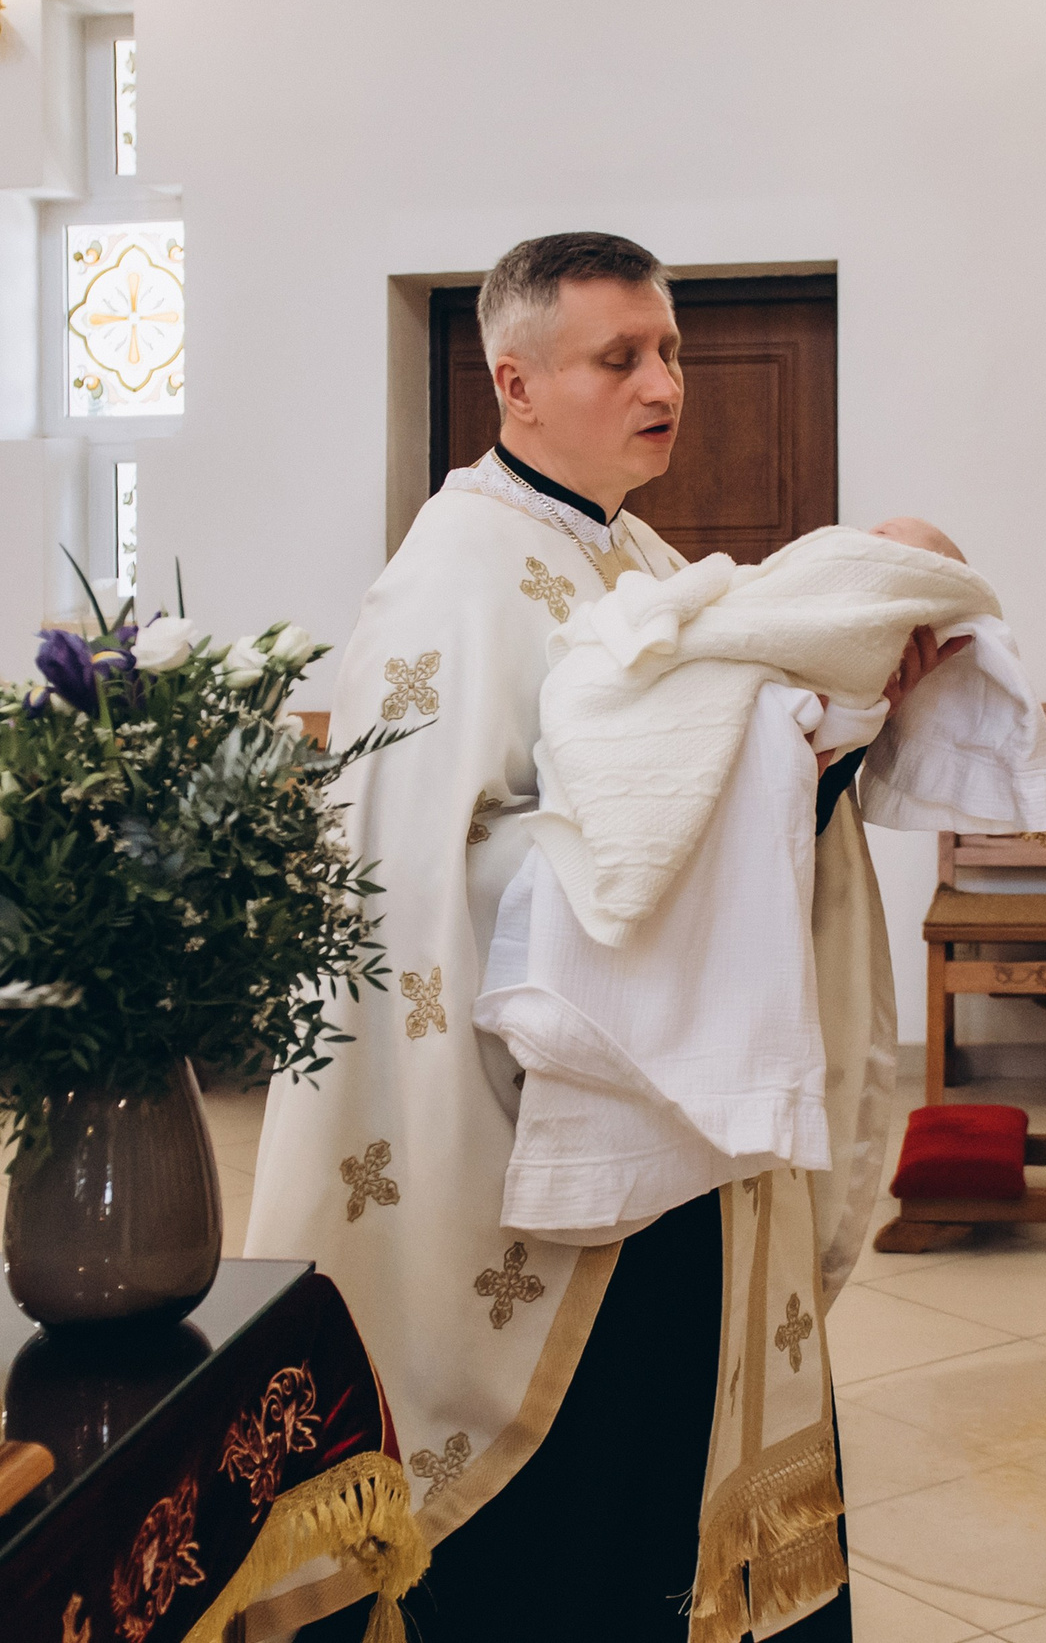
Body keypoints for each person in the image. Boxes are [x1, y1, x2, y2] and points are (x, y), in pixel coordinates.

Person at [245, 233, 961, 1642]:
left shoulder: (634, 556)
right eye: (618, 356)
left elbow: (692, 812)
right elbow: (427, 872)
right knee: (567, 1519)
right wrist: (752, 760)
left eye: (672, 351)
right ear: (515, 380)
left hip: (670, 1113)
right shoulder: (454, 573)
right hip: (537, 1139)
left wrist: (824, 738)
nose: (663, 382)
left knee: (660, 1461)